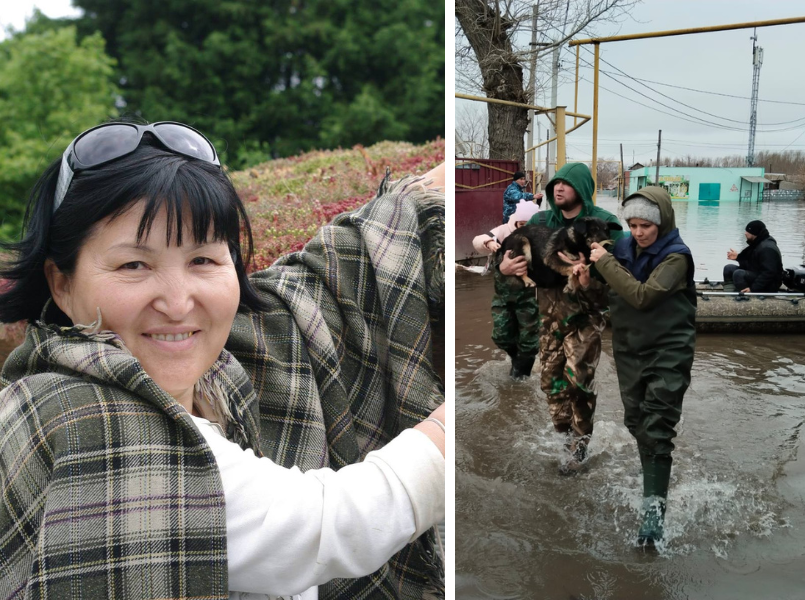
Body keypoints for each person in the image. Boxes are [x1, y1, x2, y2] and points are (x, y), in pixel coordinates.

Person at [0, 120, 446, 599]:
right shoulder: (85, 422)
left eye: (203, 261)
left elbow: (308, 285)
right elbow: (331, 525)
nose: (177, 303)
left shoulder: (217, 378)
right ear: (61, 283)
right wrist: (449, 433)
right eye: (134, 265)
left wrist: (421, 196)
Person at [578, 186, 696, 546]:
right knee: (636, 422)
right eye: (632, 224)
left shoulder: (677, 258)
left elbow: (642, 297)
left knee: (658, 427)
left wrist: (604, 262)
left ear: (661, 221)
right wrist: (587, 280)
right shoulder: (621, 248)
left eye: (646, 225)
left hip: (669, 351)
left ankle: (653, 515)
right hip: (629, 350)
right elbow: (603, 289)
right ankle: (653, 477)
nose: (639, 232)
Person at [499, 162, 625, 474]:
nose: (558, 188)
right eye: (555, 183)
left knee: (578, 381)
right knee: (550, 383)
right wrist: (505, 268)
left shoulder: (604, 223)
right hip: (549, 315)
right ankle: (563, 436)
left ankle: (579, 446)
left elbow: (623, 269)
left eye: (566, 184)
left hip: (585, 315)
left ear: (581, 189)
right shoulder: (542, 219)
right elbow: (509, 254)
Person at [472, 201, 541, 380]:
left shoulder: (538, 233)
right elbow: (477, 240)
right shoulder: (504, 230)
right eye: (522, 224)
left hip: (529, 297)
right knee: (501, 336)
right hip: (503, 296)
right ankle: (517, 360)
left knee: (529, 341)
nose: (525, 229)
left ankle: (520, 376)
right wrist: (488, 242)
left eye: (529, 225)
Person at [723, 219, 783, 293]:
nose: (745, 233)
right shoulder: (758, 243)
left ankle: (745, 296)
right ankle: (730, 293)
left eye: (748, 231)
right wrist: (738, 257)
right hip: (758, 274)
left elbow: (769, 273)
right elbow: (752, 264)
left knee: (738, 274)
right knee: (728, 268)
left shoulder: (767, 249)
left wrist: (753, 289)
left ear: (754, 233)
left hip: (770, 284)